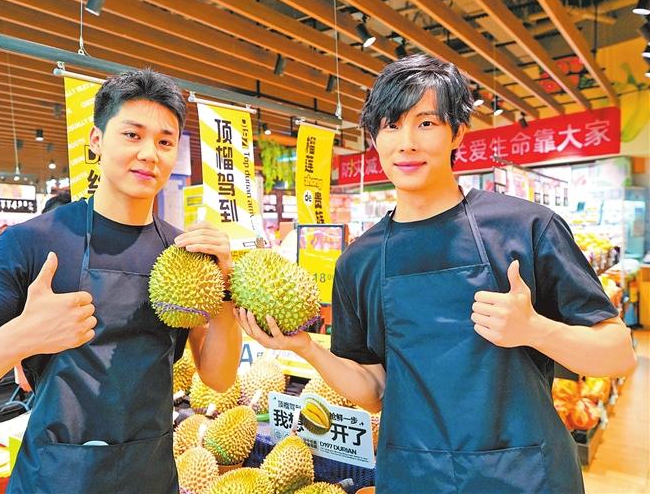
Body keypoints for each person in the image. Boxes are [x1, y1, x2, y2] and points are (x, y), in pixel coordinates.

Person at [236, 55, 637, 494]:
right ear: (374, 138)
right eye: (391, 125)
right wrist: (306, 349)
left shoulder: (526, 228)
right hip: (414, 476)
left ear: (457, 132)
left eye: (426, 123)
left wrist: (534, 330)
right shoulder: (359, 261)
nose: (406, 143)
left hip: (525, 475)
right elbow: (375, 390)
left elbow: (618, 354)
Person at [0, 69, 242, 493]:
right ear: (96, 140)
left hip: (150, 475)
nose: (149, 153)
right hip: (56, 478)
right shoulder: (31, 242)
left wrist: (224, 290)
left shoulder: (184, 255)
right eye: (132, 135)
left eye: (165, 142)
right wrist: (22, 336)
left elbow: (218, 378)